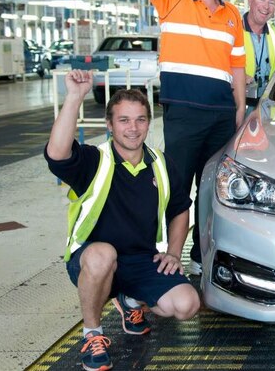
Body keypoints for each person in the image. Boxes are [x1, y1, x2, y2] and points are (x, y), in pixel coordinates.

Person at [45, 70, 200, 371]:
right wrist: (74, 97)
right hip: (92, 261)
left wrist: (172, 252)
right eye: (124, 120)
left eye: (140, 119)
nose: (133, 128)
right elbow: (57, 154)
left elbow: (180, 208)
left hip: (140, 259)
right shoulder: (94, 160)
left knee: (186, 305)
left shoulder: (160, 163)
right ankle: (93, 334)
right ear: (110, 124)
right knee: (104, 254)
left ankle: (130, 301)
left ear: (148, 123)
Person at [126, 0, 246, 275]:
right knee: (177, 187)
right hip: (183, 114)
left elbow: (238, 67)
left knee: (212, 190)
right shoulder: (171, 0)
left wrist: (241, 109)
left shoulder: (232, 16)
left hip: (222, 116)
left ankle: (201, 255)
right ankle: (173, 255)